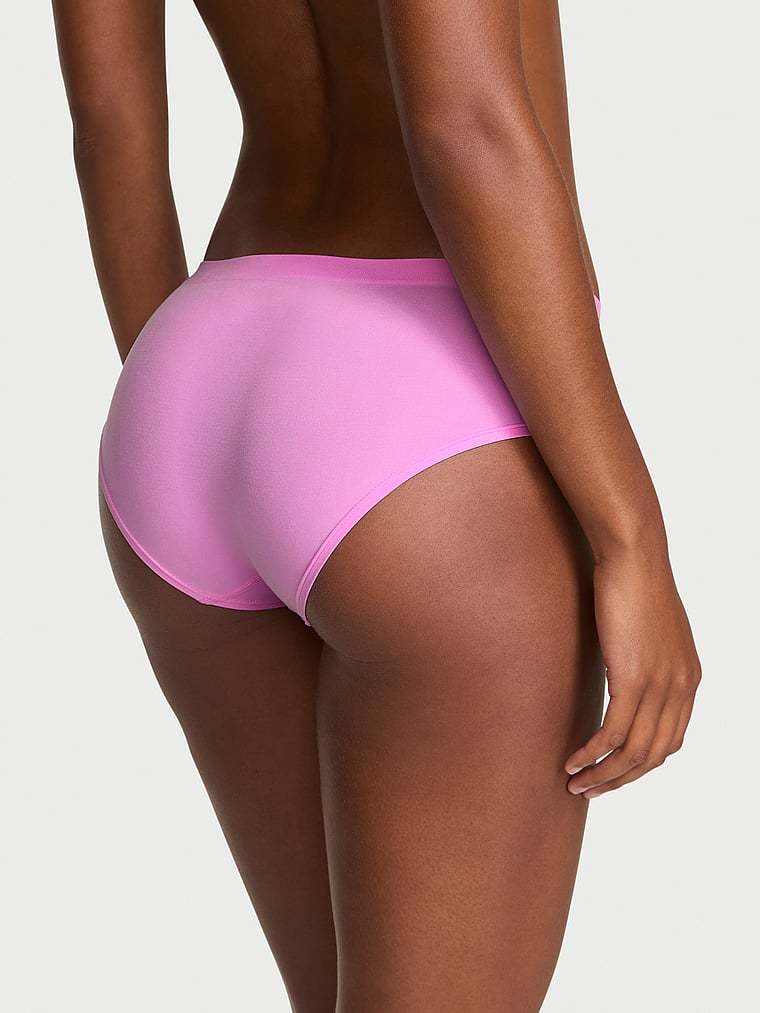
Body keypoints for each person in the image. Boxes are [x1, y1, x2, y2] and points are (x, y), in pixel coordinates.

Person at [53, 1, 701, 1009]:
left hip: (193, 371)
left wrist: (188, 407)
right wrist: (632, 536)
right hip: (424, 406)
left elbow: (109, 121)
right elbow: (462, 122)